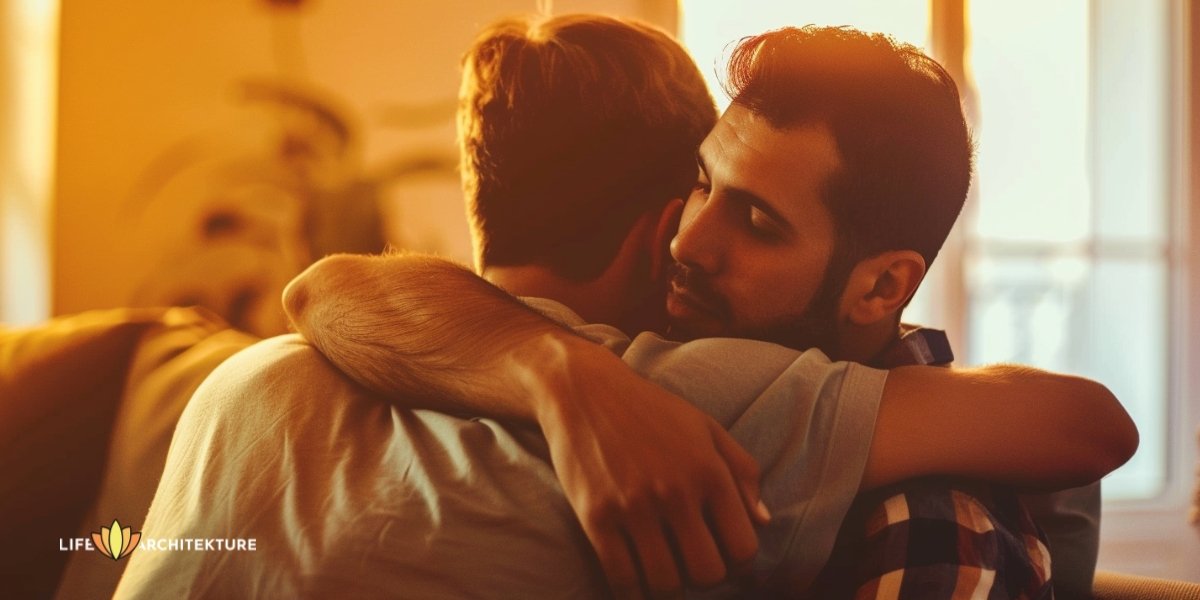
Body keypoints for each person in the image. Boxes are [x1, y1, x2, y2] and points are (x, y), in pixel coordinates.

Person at [116, 16, 1135, 599]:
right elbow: (1093, 423)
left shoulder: (241, 375)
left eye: (754, 220)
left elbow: (322, 283)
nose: (696, 242)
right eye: (699, 187)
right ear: (656, 217)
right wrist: (566, 375)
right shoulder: (690, 393)